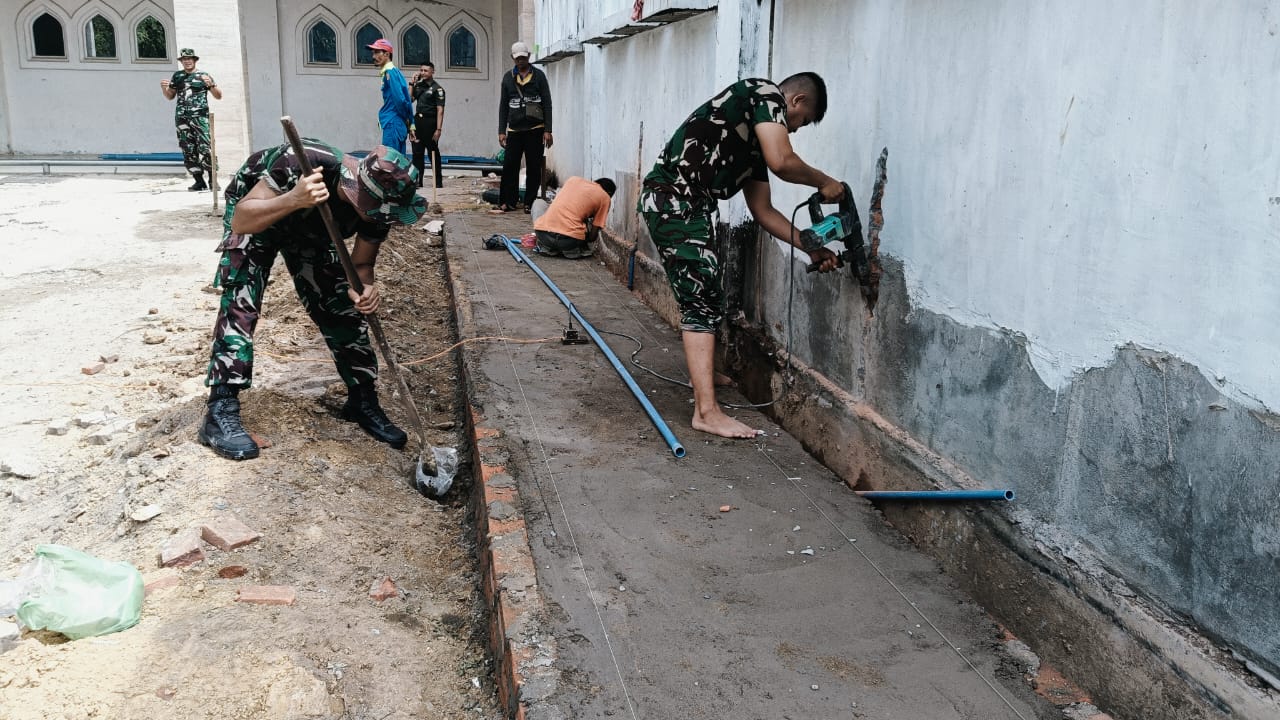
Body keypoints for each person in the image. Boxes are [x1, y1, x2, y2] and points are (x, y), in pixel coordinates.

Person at [637, 73, 846, 439]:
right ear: (794, 102)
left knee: (710, 293)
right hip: (674, 200)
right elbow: (784, 160)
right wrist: (825, 181)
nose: (794, 130)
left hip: (690, 206)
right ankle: (706, 411)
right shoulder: (763, 92)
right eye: (800, 122)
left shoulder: (751, 149)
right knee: (700, 299)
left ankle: (703, 374)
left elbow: (764, 213)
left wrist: (812, 246)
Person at [198, 140, 427, 461]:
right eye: (374, 211)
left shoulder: (381, 209)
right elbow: (241, 219)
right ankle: (220, 408)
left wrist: (364, 289)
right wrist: (294, 198)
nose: (379, 218)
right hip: (261, 215)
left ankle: (362, 400)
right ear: (359, 191)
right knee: (242, 299)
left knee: (340, 305)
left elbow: (361, 265)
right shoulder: (302, 163)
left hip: (314, 231)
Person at [495, 41, 553, 213]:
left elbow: (547, 103)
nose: (520, 60)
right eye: (517, 58)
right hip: (514, 130)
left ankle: (529, 202)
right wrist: (501, 131)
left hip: (535, 129)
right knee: (510, 167)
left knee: (533, 167)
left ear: (528, 56)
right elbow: (503, 105)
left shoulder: (539, 76)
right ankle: (508, 201)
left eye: (523, 57)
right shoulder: (508, 78)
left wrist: (548, 130)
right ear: (513, 58)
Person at [159, 48, 221, 191]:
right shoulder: (178, 76)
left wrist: (210, 85)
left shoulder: (203, 76)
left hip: (200, 117)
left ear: (194, 60)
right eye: (184, 59)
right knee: (188, 149)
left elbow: (218, 96)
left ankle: (213, 180)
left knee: (206, 148)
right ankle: (199, 181)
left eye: (189, 59)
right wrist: (164, 88)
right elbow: (170, 96)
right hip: (182, 118)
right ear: (181, 61)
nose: (187, 61)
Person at [533, 177, 615, 259]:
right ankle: (570, 249)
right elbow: (593, 236)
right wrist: (585, 240)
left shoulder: (573, 180)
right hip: (569, 241)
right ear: (609, 193)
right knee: (584, 224)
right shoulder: (605, 198)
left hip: (543, 235)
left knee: (538, 203)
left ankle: (548, 247)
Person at [368, 39, 412, 154]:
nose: (374, 56)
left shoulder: (390, 73)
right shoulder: (394, 72)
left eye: (377, 52)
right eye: (373, 53)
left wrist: (407, 120)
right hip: (396, 121)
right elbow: (405, 99)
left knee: (390, 161)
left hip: (393, 122)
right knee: (397, 162)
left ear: (387, 54)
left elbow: (400, 100)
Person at [409, 62, 446, 189]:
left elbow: (440, 110)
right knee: (417, 153)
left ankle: (438, 182)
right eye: (421, 70)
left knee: (433, 153)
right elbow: (409, 100)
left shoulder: (438, 89)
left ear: (432, 72)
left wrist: (438, 129)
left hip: (430, 123)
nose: (423, 73)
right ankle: (417, 181)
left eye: (426, 70)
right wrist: (411, 84)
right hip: (418, 122)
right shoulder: (418, 86)